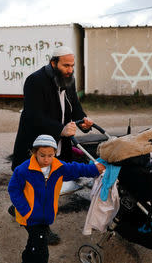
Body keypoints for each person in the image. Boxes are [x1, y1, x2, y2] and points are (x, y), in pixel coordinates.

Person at [10, 46, 93, 244]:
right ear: (53, 62)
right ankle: (40, 232)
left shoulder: (68, 81)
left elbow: (75, 109)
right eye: (66, 65)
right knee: (40, 188)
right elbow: (33, 116)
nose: (70, 69)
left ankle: (18, 208)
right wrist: (60, 129)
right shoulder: (35, 81)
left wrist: (83, 122)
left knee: (48, 186)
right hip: (35, 145)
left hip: (57, 145)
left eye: (72, 65)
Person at [8, 135, 105, 263]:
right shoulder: (23, 170)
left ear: (55, 153)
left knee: (34, 241)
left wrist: (94, 169)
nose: (47, 159)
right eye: (42, 155)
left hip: (46, 215)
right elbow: (14, 190)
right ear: (34, 152)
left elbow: (75, 169)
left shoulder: (57, 167)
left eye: (50, 155)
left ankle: (27, 258)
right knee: (41, 250)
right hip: (29, 216)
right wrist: (26, 210)